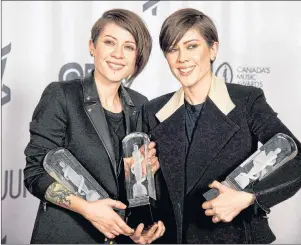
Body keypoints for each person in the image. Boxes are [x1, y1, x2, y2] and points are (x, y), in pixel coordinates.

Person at [143, 8, 301, 244]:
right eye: (173, 49)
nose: (181, 58)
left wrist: (248, 197)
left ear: (213, 49)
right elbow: (152, 194)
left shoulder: (246, 101)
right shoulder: (154, 110)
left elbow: (296, 160)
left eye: (192, 46)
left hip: (235, 237)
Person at [24, 9, 165, 244]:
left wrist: (141, 228)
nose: (118, 54)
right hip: (67, 236)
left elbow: (139, 188)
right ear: (92, 46)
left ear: (137, 56)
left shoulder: (141, 105)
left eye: (129, 47)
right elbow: (35, 173)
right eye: (110, 42)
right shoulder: (61, 96)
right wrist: (88, 209)